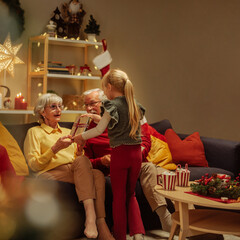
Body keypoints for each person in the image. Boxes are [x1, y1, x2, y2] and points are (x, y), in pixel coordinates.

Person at [23, 93, 114, 240]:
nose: (58, 110)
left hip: (74, 170)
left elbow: (77, 160)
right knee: (92, 173)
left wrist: (79, 149)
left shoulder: (69, 132)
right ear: (42, 111)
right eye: (53, 107)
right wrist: (55, 148)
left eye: (60, 106)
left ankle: (100, 222)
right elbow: (34, 165)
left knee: (95, 173)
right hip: (49, 173)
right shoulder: (34, 132)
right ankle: (93, 220)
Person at [82, 88, 172, 233]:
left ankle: (178, 220)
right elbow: (85, 162)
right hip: (112, 169)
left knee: (170, 177)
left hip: (135, 162)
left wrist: (136, 155)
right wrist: (101, 161)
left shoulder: (122, 119)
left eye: (92, 103)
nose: (88, 108)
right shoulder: (86, 130)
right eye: (86, 105)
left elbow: (144, 140)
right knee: (153, 171)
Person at [73, 69, 145, 240]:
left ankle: (120, 236)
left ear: (110, 87)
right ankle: (138, 235)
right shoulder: (135, 104)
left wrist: (79, 137)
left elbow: (98, 130)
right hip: (136, 154)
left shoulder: (111, 105)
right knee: (131, 194)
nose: (104, 92)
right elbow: (121, 124)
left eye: (104, 89)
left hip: (120, 154)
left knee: (119, 198)